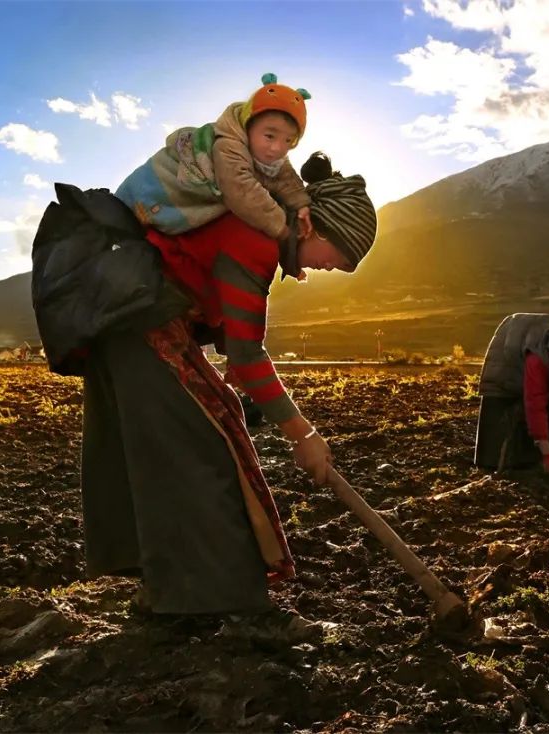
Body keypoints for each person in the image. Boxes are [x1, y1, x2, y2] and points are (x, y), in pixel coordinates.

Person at [72, 154, 376, 637]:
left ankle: (163, 593)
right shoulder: (253, 237)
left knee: (166, 452)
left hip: (124, 324)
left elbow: (232, 335)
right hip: (137, 323)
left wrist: (241, 368)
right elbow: (248, 353)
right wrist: (303, 434)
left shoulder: (254, 231)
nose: (331, 269)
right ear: (310, 224)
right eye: (336, 257)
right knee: (209, 450)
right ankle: (243, 611)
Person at [115, 73, 314, 242]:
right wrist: (282, 229)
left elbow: (284, 176)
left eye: (288, 140)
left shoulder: (268, 155)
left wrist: (301, 204)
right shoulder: (229, 145)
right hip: (152, 191)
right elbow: (242, 192)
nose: (277, 148)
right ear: (248, 124)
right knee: (121, 228)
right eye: (269, 136)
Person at [474, 313, 549, 474]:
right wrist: (547, 453)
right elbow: (535, 404)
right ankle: (499, 464)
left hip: (535, 361)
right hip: (505, 373)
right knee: (504, 418)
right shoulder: (537, 360)